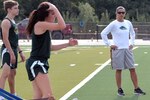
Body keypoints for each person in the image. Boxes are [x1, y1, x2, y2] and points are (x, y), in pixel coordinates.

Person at [25, 2, 78, 100]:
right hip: (37, 63)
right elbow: (62, 26)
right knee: (48, 96)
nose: (54, 16)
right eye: (52, 14)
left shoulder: (44, 27)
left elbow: (50, 48)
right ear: (46, 14)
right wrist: (55, 8)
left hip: (37, 62)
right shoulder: (40, 24)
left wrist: (68, 44)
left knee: (38, 96)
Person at [101, 6, 146, 96]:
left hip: (127, 49)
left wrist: (132, 43)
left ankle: (136, 88)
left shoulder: (128, 23)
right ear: (116, 14)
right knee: (119, 70)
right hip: (117, 50)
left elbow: (132, 33)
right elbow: (103, 33)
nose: (121, 14)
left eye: (123, 13)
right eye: (119, 13)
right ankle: (119, 89)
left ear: (125, 14)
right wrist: (109, 44)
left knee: (132, 69)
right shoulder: (113, 24)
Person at [0, 0, 26, 96]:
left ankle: (13, 94)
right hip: (7, 50)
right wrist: (11, 53)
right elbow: (5, 39)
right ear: (9, 9)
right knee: (5, 73)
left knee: (13, 73)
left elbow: (15, 39)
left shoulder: (13, 21)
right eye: (15, 8)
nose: (17, 10)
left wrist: (20, 52)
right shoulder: (6, 22)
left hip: (14, 49)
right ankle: (1, 96)